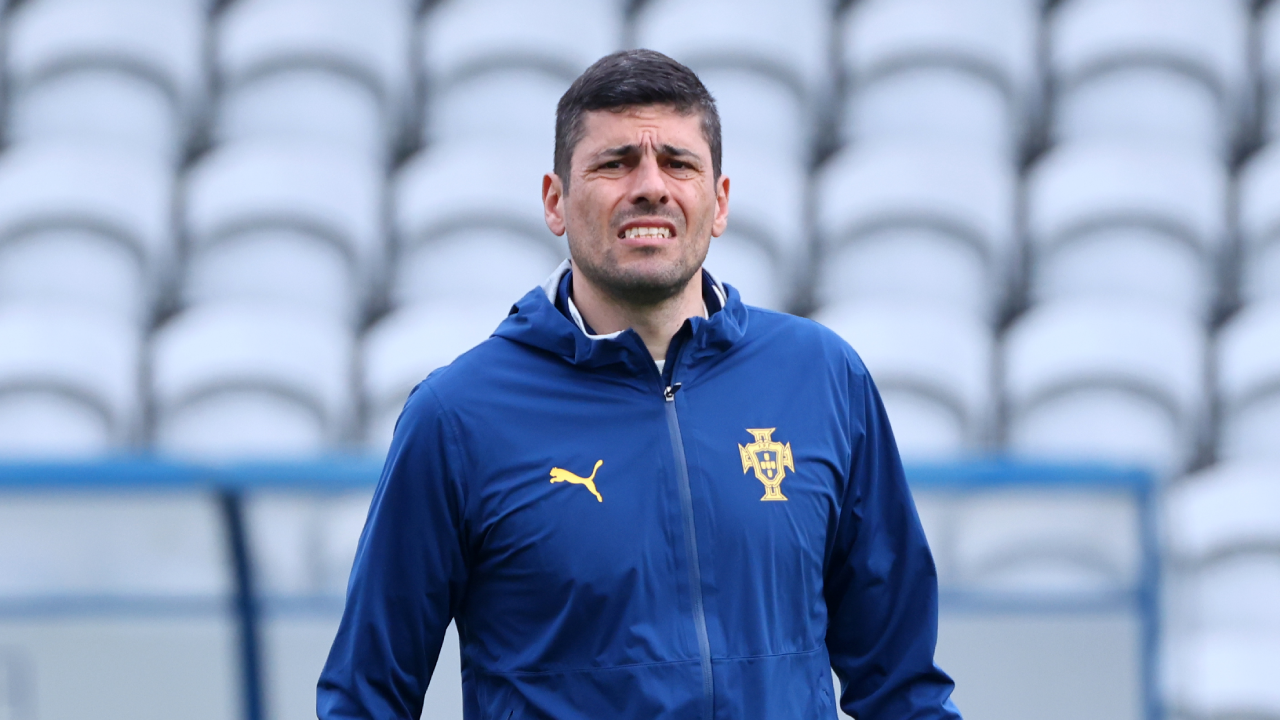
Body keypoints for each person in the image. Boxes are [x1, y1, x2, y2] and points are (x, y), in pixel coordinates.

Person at [318, 49, 961, 720]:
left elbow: (903, 687)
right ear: (555, 201)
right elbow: (367, 697)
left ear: (719, 203)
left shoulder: (823, 378)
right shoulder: (457, 418)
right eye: (615, 162)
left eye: (678, 163)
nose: (651, 186)